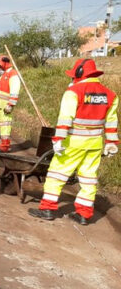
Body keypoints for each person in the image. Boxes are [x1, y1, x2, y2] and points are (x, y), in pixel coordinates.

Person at [29, 59, 118, 225]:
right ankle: (84, 214)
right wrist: (112, 142)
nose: (72, 79)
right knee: (88, 178)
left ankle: (47, 208)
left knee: (57, 174)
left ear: (79, 74)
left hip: (74, 143)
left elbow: (65, 118)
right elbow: (111, 121)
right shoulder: (110, 95)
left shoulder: (74, 92)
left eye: (73, 76)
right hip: (95, 144)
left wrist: (58, 139)